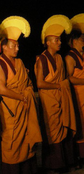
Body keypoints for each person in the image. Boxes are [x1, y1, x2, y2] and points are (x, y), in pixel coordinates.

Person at [0, 16, 42, 174]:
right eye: (13, 45)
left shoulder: (19, 63)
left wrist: (26, 93)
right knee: (11, 143)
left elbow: (28, 83)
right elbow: (2, 89)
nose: (17, 49)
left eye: (18, 45)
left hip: (24, 108)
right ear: (4, 47)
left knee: (26, 142)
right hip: (10, 110)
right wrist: (22, 97)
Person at [34, 14, 77, 173]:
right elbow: (39, 83)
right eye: (56, 40)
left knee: (63, 129)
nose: (59, 42)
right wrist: (59, 85)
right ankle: (52, 165)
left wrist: (61, 86)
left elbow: (64, 78)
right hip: (49, 101)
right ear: (47, 43)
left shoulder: (59, 58)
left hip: (60, 98)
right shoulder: (42, 60)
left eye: (59, 39)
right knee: (52, 132)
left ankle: (65, 162)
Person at [65, 13, 84, 167]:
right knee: (80, 125)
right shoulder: (70, 57)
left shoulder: (83, 55)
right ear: (73, 41)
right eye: (81, 39)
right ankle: (80, 157)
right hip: (78, 95)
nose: (83, 41)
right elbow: (69, 78)